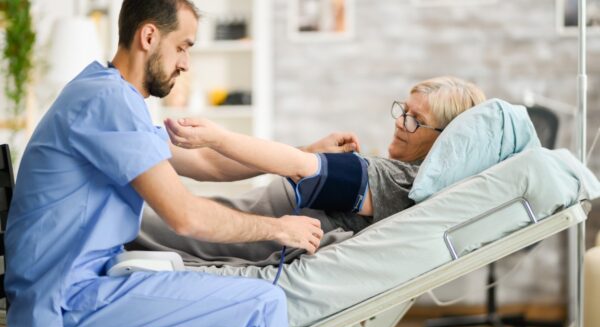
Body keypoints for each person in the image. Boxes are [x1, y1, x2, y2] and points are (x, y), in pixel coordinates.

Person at [4, 0, 359, 327]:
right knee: (262, 305)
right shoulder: (108, 102)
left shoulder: (111, 95)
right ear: (148, 36)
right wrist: (279, 228)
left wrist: (306, 154)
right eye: (182, 47)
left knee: (242, 303)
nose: (186, 64)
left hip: (77, 287)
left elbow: (206, 164)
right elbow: (186, 217)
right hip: (64, 300)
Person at [134, 76, 487, 266]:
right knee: (144, 219)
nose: (400, 122)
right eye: (403, 110)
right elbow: (303, 163)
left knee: (141, 228)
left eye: (415, 120)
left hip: (257, 233)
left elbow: (300, 167)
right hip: (254, 211)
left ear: (443, 140)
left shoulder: (399, 182)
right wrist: (310, 150)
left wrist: (218, 137)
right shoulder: (398, 172)